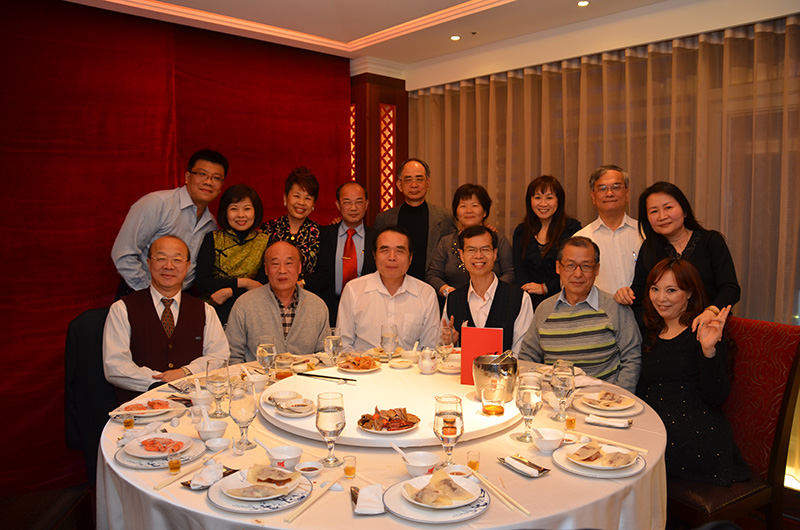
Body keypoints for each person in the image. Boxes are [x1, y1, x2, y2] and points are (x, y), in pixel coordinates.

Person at [636, 257, 750, 485]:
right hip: (659, 429)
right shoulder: (651, 331)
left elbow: (716, 396)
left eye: (671, 290)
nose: (661, 298)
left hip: (695, 436)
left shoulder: (704, 331)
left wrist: (708, 351)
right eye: (655, 289)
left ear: (689, 292)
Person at [103, 235, 230, 400]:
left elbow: (219, 357)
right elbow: (115, 366)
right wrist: (159, 381)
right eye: (161, 259)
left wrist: (184, 372)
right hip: (141, 405)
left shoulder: (205, 310)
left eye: (177, 260)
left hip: (193, 404)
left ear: (188, 266)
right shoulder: (122, 309)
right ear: (149, 263)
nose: (169, 266)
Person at [519, 236, 641, 392]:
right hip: (555, 400)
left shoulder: (615, 307)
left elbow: (632, 358)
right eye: (570, 265)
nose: (578, 274)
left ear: (597, 269)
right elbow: (527, 358)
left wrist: (618, 396)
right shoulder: (544, 309)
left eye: (586, 266)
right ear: (558, 267)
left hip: (602, 401)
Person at [614, 181, 740, 330]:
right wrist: (626, 294)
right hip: (666, 331)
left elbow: (730, 289)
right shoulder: (649, 248)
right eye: (654, 211)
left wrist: (711, 311)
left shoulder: (711, 241)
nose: (662, 216)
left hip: (707, 327)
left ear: (684, 211)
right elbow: (640, 292)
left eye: (668, 207)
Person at [111, 149, 227, 296]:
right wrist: (151, 293)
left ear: (221, 186)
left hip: (181, 298)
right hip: (140, 293)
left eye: (216, 178)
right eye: (202, 174)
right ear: (187, 177)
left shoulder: (211, 224)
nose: (208, 182)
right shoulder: (158, 204)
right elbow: (123, 253)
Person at [337, 225, 439, 352]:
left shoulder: (426, 293)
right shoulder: (353, 290)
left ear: (410, 258)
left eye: (400, 251)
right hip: (363, 363)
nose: (392, 257)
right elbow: (343, 344)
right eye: (385, 250)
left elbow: (430, 348)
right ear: (374, 255)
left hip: (408, 364)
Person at [226, 241, 328, 362]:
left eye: (288, 263)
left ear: (299, 267)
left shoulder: (317, 306)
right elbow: (232, 356)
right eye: (275, 264)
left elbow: (324, 355)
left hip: (305, 374)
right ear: (266, 269)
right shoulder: (244, 304)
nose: (282, 270)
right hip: (258, 373)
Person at [443, 225, 533, 355]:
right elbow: (444, 349)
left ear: (495, 253)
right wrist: (452, 343)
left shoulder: (519, 299)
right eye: (471, 250)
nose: (478, 256)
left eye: (485, 249)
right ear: (462, 255)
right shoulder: (453, 299)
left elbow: (522, 354)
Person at [195, 184, 269, 326]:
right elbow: (202, 283)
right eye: (234, 209)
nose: (241, 215)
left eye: (247, 209)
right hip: (212, 309)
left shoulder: (265, 242)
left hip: (251, 311)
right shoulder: (212, 238)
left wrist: (230, 291)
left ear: (255, 212)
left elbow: (262, 287)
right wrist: (244, 282)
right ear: (225, 212)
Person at [426, 183, 514, 302]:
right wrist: (449, 292)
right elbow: (433, 275)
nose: (469, 211)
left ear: (484, 212)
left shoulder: (499, 240)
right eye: (463, 206)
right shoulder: (446, 242)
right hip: (455, 302)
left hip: (494, 300)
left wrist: (492, 291)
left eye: (474, 205)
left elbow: (509, 273)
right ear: (456, 213)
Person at [304, 182, 376, 324]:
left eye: (359, 202)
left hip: (368, 309)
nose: (353, 208)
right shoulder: (323, 235)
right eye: (347, 202)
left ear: (366, 204)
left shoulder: (377, 238)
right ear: (338, 205)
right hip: (329, 308)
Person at [374, 158, 456, 280]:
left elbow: (452, 257)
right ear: (399, 185)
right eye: (408, 180)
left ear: (428, 183)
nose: (414, 185)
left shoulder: (445, 217)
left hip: (431, 287)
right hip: (393, 285)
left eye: (419, 179)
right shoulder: (384, 219)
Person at [513, 176, 581, 309]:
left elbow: (574, 268)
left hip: (565, 299)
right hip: (529, 300)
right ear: (530, 201)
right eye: (537, 197)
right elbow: (519, 268)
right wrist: (527, 290)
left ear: (559, 201)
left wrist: (545, 288)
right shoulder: (521, 231)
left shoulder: (572, 229)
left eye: (549, 198)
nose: (543, 204)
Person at [573, 165, 642, 296]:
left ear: (627, 193)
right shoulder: (581, 239)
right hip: (599, 308)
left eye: (616, 187)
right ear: (593, 196)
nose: (609, 193)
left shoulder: (644, 233)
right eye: (602, 188)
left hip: (641, 307)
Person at [260, 166, 321, 280]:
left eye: (307, 198)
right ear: (285, 198)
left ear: (313, 204)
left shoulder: (320, 234)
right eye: (296, 196)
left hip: (307, 291)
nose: (301, 202)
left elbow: (323, 274)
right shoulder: (268, 230)